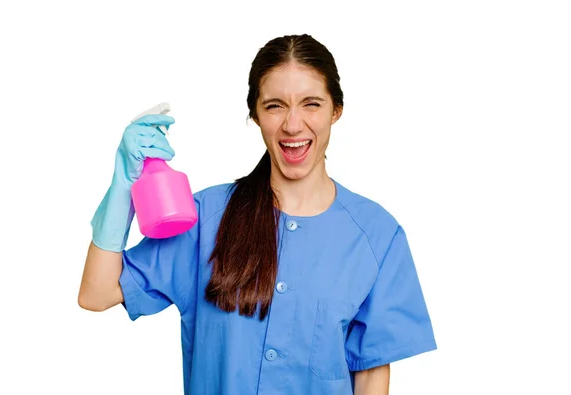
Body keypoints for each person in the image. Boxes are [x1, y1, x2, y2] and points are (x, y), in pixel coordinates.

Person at [79, 33, 437, 394]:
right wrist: (124, 188)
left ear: (336, 111)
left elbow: (371, 373)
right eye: (275, 106)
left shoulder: (377, 236)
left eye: (311, 104)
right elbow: (96, 293)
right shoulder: (206, 218)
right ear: (255, 114)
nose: (293, 125)